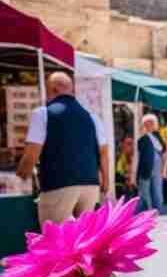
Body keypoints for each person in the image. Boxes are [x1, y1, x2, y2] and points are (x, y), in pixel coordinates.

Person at [16, 72, 110, 225]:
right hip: (90, 185)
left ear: (53, 89)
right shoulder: (92, 117)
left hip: (58, 185)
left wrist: (20, 176)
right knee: (84, 235)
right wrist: (105, 183)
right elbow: (104, 152)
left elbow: (32, 154)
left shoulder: (43, 113)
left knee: (55, 236)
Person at [130, 114, 167, 213]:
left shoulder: (157, 136)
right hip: (145, 167)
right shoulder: (141, 137)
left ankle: (157, 210)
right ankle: (148, 211)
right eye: (147, 123)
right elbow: (136, 156)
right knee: (145, 191)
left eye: (151, 123)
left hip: (156, 166)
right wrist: (133, 174)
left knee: (157, 190)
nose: (149, 125)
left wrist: (164, 168)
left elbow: (163, 150)